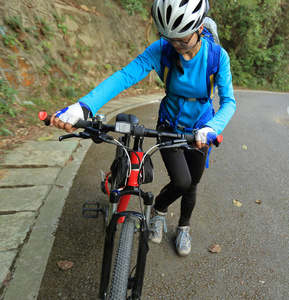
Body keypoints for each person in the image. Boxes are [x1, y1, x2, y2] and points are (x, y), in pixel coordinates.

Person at [50, 0, 236, 256]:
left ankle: (184, 227)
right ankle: (159, 211)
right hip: (170, 125)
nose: (176, 47)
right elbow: (126, 75)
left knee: (193, 184)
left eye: (182, 40)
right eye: (170, 39)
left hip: (201, 131)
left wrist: (212, 127)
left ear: (199, 26)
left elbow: (228, 102)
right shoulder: (163, 50)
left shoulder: (217, 57)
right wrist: (84, 106)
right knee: (181, 181)